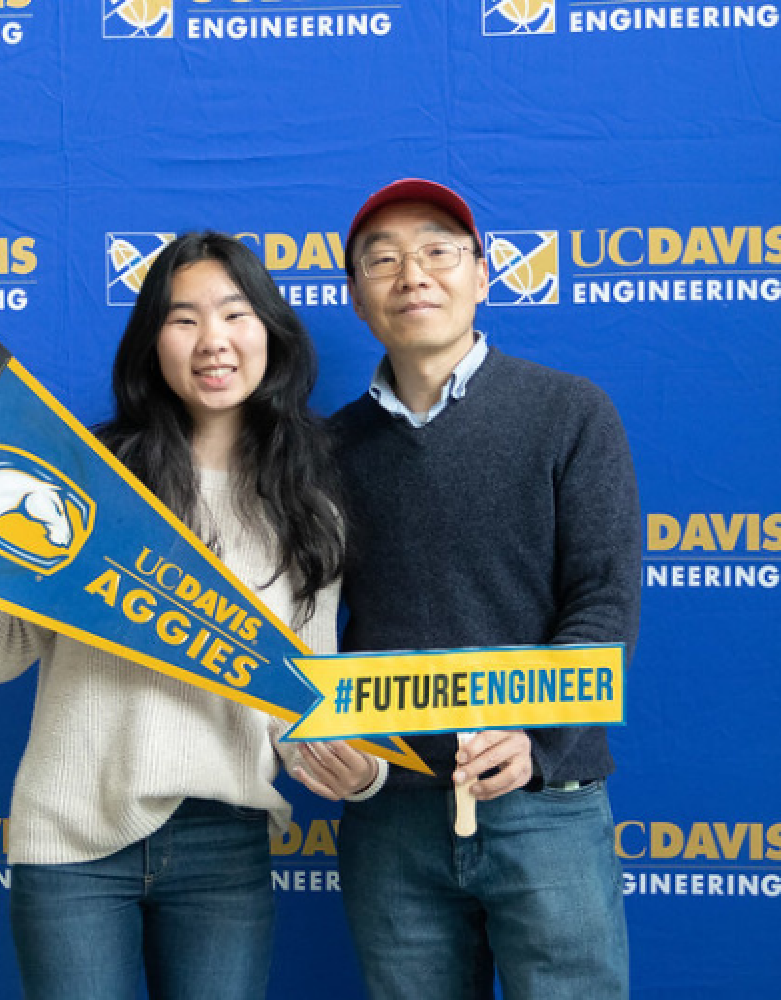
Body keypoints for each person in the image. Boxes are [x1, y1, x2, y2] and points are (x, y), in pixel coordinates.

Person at [0, 231, 345, 1000]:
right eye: (182, 319)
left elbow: (302, 698)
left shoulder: (308, 510)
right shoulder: (87, 478)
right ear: (151, 342)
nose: (213, 342)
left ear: (269, 330)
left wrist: (357, 771)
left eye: (235, 314)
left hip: (223, 842)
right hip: (69, 832)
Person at [293, 179, 642, 999]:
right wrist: (316, 739)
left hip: (544, 801)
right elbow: (297, 620)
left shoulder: (570, 413)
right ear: (356, 298)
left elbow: (603, 600)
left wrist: (538, 736)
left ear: (482, 275)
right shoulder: (329, 448)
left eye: (438, 251)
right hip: (391, 819)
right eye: (382, 259)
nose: (412, 273)